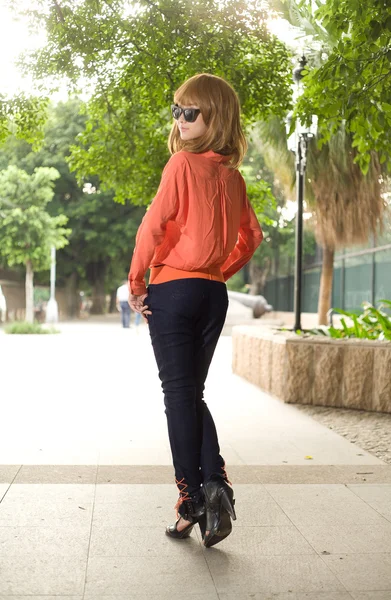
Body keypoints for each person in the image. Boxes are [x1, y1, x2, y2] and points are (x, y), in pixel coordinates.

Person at [128, 73, 263, 548]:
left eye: (191, 112)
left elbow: (152, 222)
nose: (181, 121)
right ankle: (214, 490)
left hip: (174, 290)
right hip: (212, 296)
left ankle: (192, 502)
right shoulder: (233, 176)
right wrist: (220, 272)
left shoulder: (182, 165)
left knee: (178, 396)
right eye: (177, 111)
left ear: (214, 117)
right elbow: (252, 238)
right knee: (191, 395)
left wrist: (136, 280)